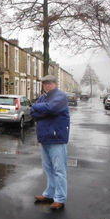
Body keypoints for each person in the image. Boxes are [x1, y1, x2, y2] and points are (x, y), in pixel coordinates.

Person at [31, 75, 70, 209]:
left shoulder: (61, 96)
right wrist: (41, 110)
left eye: (50, 83)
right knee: (48, 169)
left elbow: (51, 108)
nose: (47, 85)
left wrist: (43, 110)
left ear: (55, 84)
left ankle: (60, 198)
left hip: (56, 138)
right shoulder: (42, 97)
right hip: (44, 138)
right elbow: (33, 112)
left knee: (59, 170)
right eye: (45, 83)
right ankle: (49, 194)